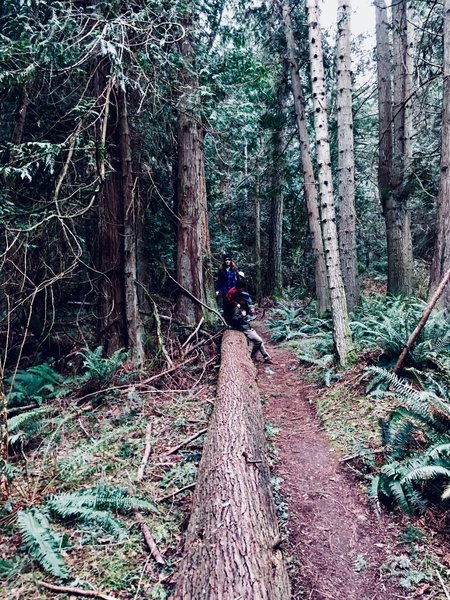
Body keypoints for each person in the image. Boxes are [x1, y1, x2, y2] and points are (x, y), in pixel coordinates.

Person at [225, 279, 272, 363]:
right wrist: (241, 316)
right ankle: (252, 358)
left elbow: (247, 312)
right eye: (245, 301)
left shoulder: (243, 304)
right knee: (259, 341)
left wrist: (248, 312)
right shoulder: (236, 307)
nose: (245, 302)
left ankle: (266, 357)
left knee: (259, 341)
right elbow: (234, 320)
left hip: (246, 326)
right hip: (243, 328)